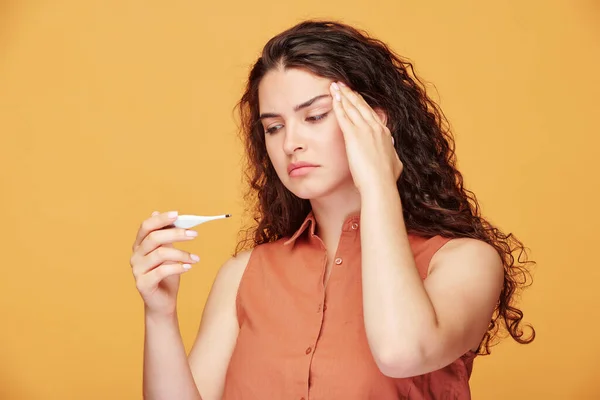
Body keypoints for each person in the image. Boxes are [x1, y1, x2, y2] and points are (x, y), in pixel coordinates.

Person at [129, 20, 535, 400]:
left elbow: (402, 351)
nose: (291, 143)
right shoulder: (243, 275)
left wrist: (377, 181)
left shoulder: (465, 262)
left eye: (315, 116)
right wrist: (160, 315)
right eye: (274, 127)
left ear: (375, 121)